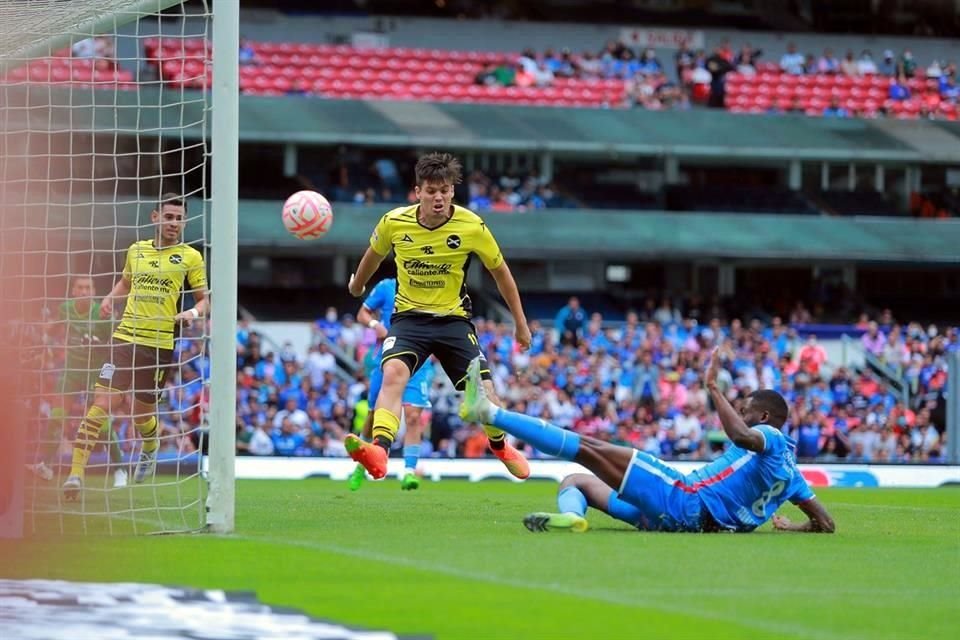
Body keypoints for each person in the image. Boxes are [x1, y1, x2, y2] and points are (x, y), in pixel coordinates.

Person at [459, 347, 836, 534]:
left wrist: (713, 390)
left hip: (684, 499)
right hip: (685, 523)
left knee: (589, 448)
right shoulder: (793, 474)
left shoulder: (768, 436)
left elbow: (740, 434)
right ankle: (574, 517)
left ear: (766, 418)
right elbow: (826, 524)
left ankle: (490, 414)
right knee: (577, 482)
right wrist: (792, 527)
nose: (741, 413)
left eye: (746, 409)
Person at [344, 152, 532, 481]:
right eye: (431, 191)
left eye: (444, 190)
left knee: (485, 391)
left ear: (452, 192)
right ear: (418, 192)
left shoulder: (472, 226)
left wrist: (520, 323)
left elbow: (501, 273)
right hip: (409, 320)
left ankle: (500, 446)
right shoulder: (394, 223)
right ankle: (379, 449)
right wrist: (357, 284)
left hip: (453, 322)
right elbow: (372, 256)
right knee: (393, 375)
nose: (439, 197)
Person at [63, 194, 208, 500]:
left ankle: (150, 447)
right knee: (101, 404)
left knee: (142, 414)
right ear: (156, 218)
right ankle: (75, 475)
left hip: (158, 345)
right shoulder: (136, 250)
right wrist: (109, 298)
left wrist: (191, 313)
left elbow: (204, 300)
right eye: (169, 217)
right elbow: (126, 283)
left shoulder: (191, 257)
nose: (174, 223)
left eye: (179, 218)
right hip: (124, 339)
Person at [28, 276, 126, 488]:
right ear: (73, 291)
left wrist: (97, 344)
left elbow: (117, 346)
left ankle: (120, 469)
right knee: (57, 415)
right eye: (80, 287)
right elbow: (55, 327)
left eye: (87, 287)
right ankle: (45, 465)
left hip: (95, 372)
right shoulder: (66, 309)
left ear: (93, 291)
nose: (83, 291)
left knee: (100, 423)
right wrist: (43, 336)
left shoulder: (103, 314)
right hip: (71, 370)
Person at [349, 278, 436, 491]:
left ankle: (408, 472)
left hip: (419, 360)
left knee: (414, 416)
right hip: (388, 359)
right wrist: (375, 325)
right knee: (372, 415)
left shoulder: (432, 285)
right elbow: (362, 313)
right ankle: (362, 465)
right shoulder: (387, 287)